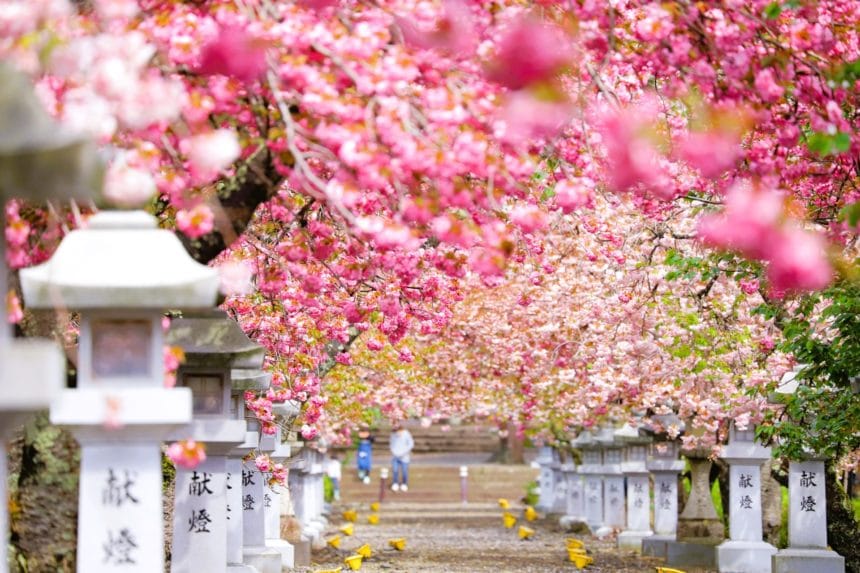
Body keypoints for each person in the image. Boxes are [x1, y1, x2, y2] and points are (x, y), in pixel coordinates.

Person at [389, 422, 414, 492]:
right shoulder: (393, 434)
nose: (398, 433)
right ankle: (395, 483)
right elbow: (391, 443)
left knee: (404, 471)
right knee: (395, 470)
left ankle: (404, 483)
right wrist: (393, 451)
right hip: (395, 456)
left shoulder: (406, 433)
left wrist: (405, 451)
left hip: (404, 457)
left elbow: (411, 444)